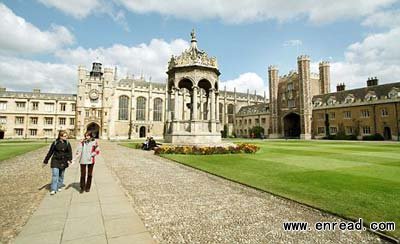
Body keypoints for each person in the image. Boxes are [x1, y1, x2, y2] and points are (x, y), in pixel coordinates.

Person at [43, 130, 72, 195]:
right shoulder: (55, 143)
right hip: (55, 160)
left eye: (66, 136)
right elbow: (50, 152)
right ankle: (53, 189)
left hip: (63, 161)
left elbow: (69, 152)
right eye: (64, 136)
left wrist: (70, 160)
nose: (66, 137)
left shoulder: (67, 143)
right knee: (55, 175)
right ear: (60, 136)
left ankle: (59, 186)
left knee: (61, 175)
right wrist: (45, 161)